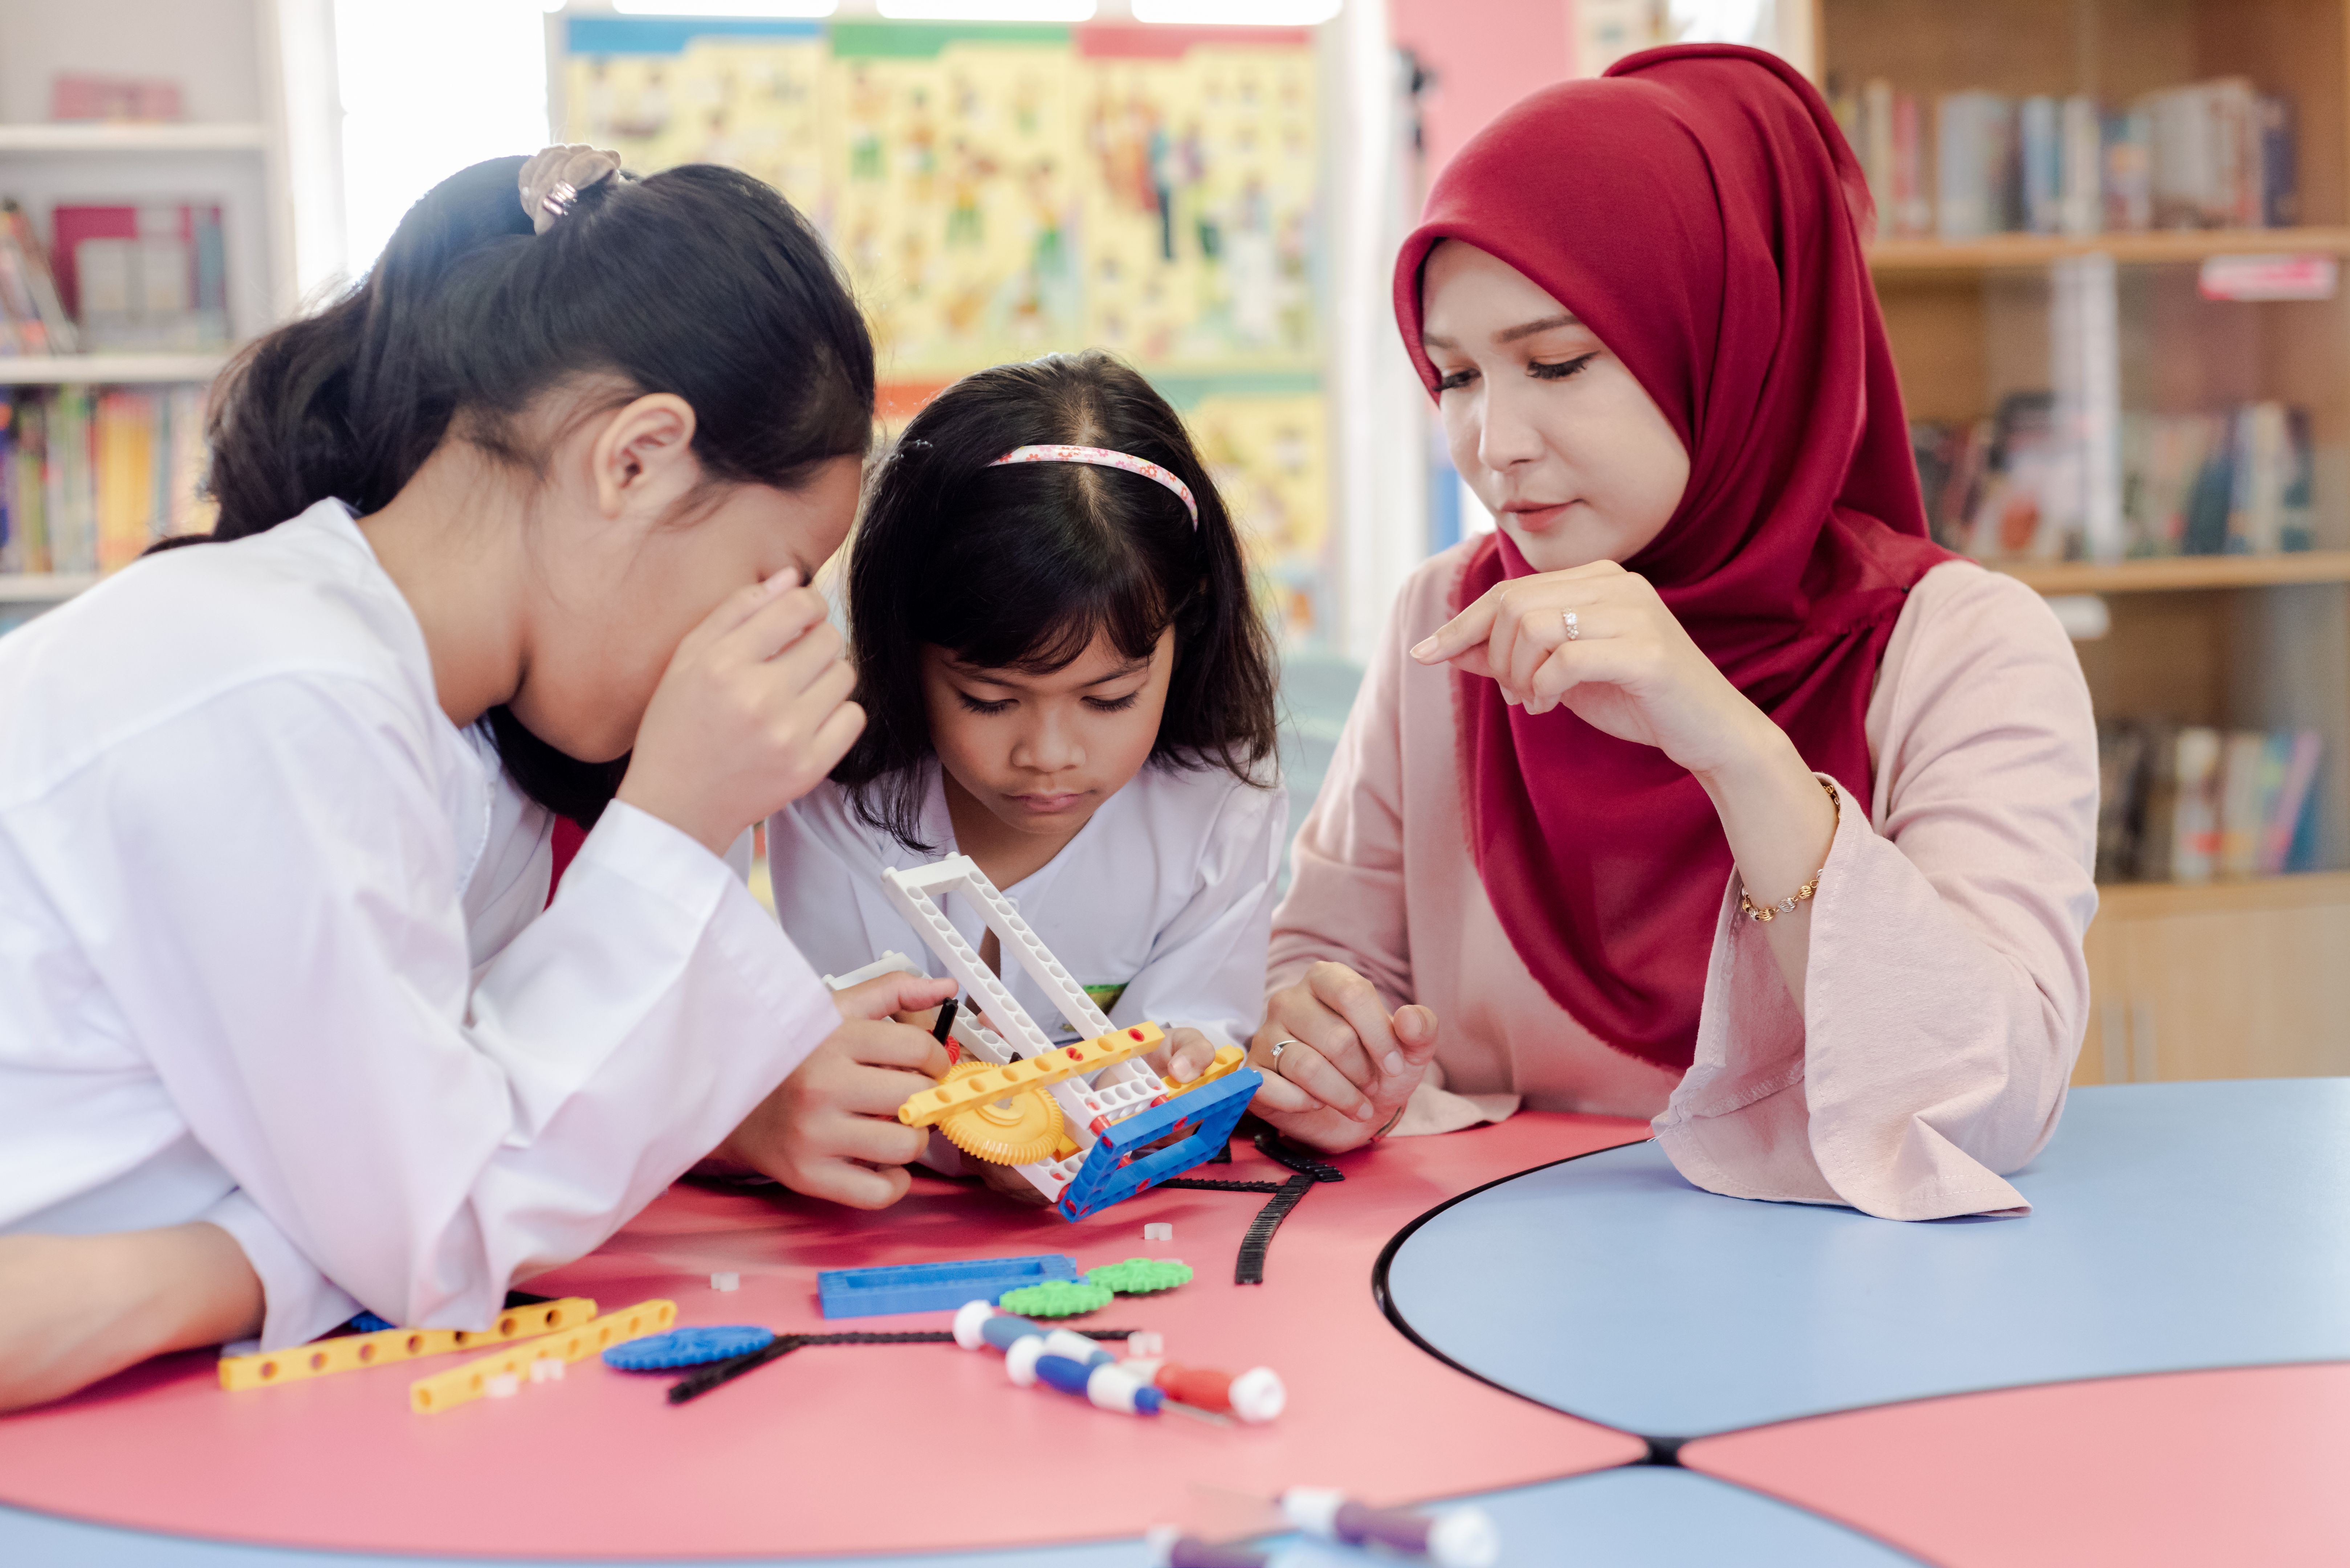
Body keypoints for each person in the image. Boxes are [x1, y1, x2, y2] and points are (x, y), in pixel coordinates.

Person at [0, 148, 954, 1412]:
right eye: (772, 575)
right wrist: (676, 820)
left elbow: (430, 1167)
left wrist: (225, 1266)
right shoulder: (281, 688)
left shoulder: (439, 724)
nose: (776, 631)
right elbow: (442, 1230)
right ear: (636, 460)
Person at [1249, 46, 2098, 1220]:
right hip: (1483, 1288)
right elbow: (1320, 977)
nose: (1495, 444)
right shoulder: (1446, 621)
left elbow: (1992, 1103)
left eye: (1556, 363)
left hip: (1861, 1299)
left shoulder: (1963, 646)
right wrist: (1317, 1053)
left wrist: (1727, 740)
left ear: (1724, 345)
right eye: (1454, 378)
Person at [763, 351, 1285, 1198]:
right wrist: (1003, 1141)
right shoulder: (832, 790)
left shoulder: (1219, 796)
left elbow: (1195, 1032)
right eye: (989, 698)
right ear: (905, 645)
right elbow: (849, 1070)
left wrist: (1175, 1072)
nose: (1049, 753)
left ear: (1186, 627)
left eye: (1109, 698)